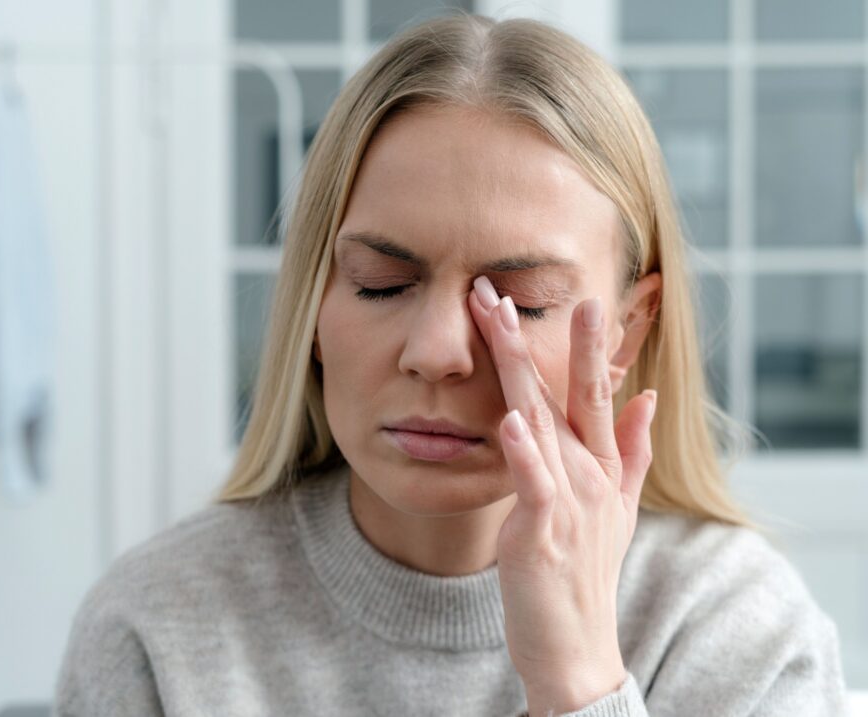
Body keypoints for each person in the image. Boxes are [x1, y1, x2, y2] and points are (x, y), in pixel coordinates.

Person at [53, 12, 849, 716]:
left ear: (626, 331)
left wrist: (580, 682)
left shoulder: (735, 626)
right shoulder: (155, 626)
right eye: (381, 284)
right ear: (315, 311)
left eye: (521, 300)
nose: (435, 351)